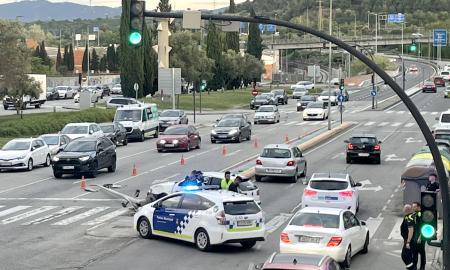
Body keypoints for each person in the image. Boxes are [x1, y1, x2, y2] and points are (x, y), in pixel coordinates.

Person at [401, 204, 417, 270]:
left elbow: (411, 230)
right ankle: (412, 267)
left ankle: (412, 268)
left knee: (405, 255)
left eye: (404, 209)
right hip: (411, 240)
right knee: (410, 256)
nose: (403, 210)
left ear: (406, 210)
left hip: (410, 240)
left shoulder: (409, 218)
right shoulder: (411, 216)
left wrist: (408, 242)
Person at [412, 202, 426, 270]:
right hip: (415, 237)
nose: (413, 208)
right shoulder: (415, 214)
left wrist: (420, 237)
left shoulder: (421, 214)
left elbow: (423, 226)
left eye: (414, 206)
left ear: (418, 207)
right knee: (415, 252)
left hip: (420, 237)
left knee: (421, 252)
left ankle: (422, 267)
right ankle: (415, 266)